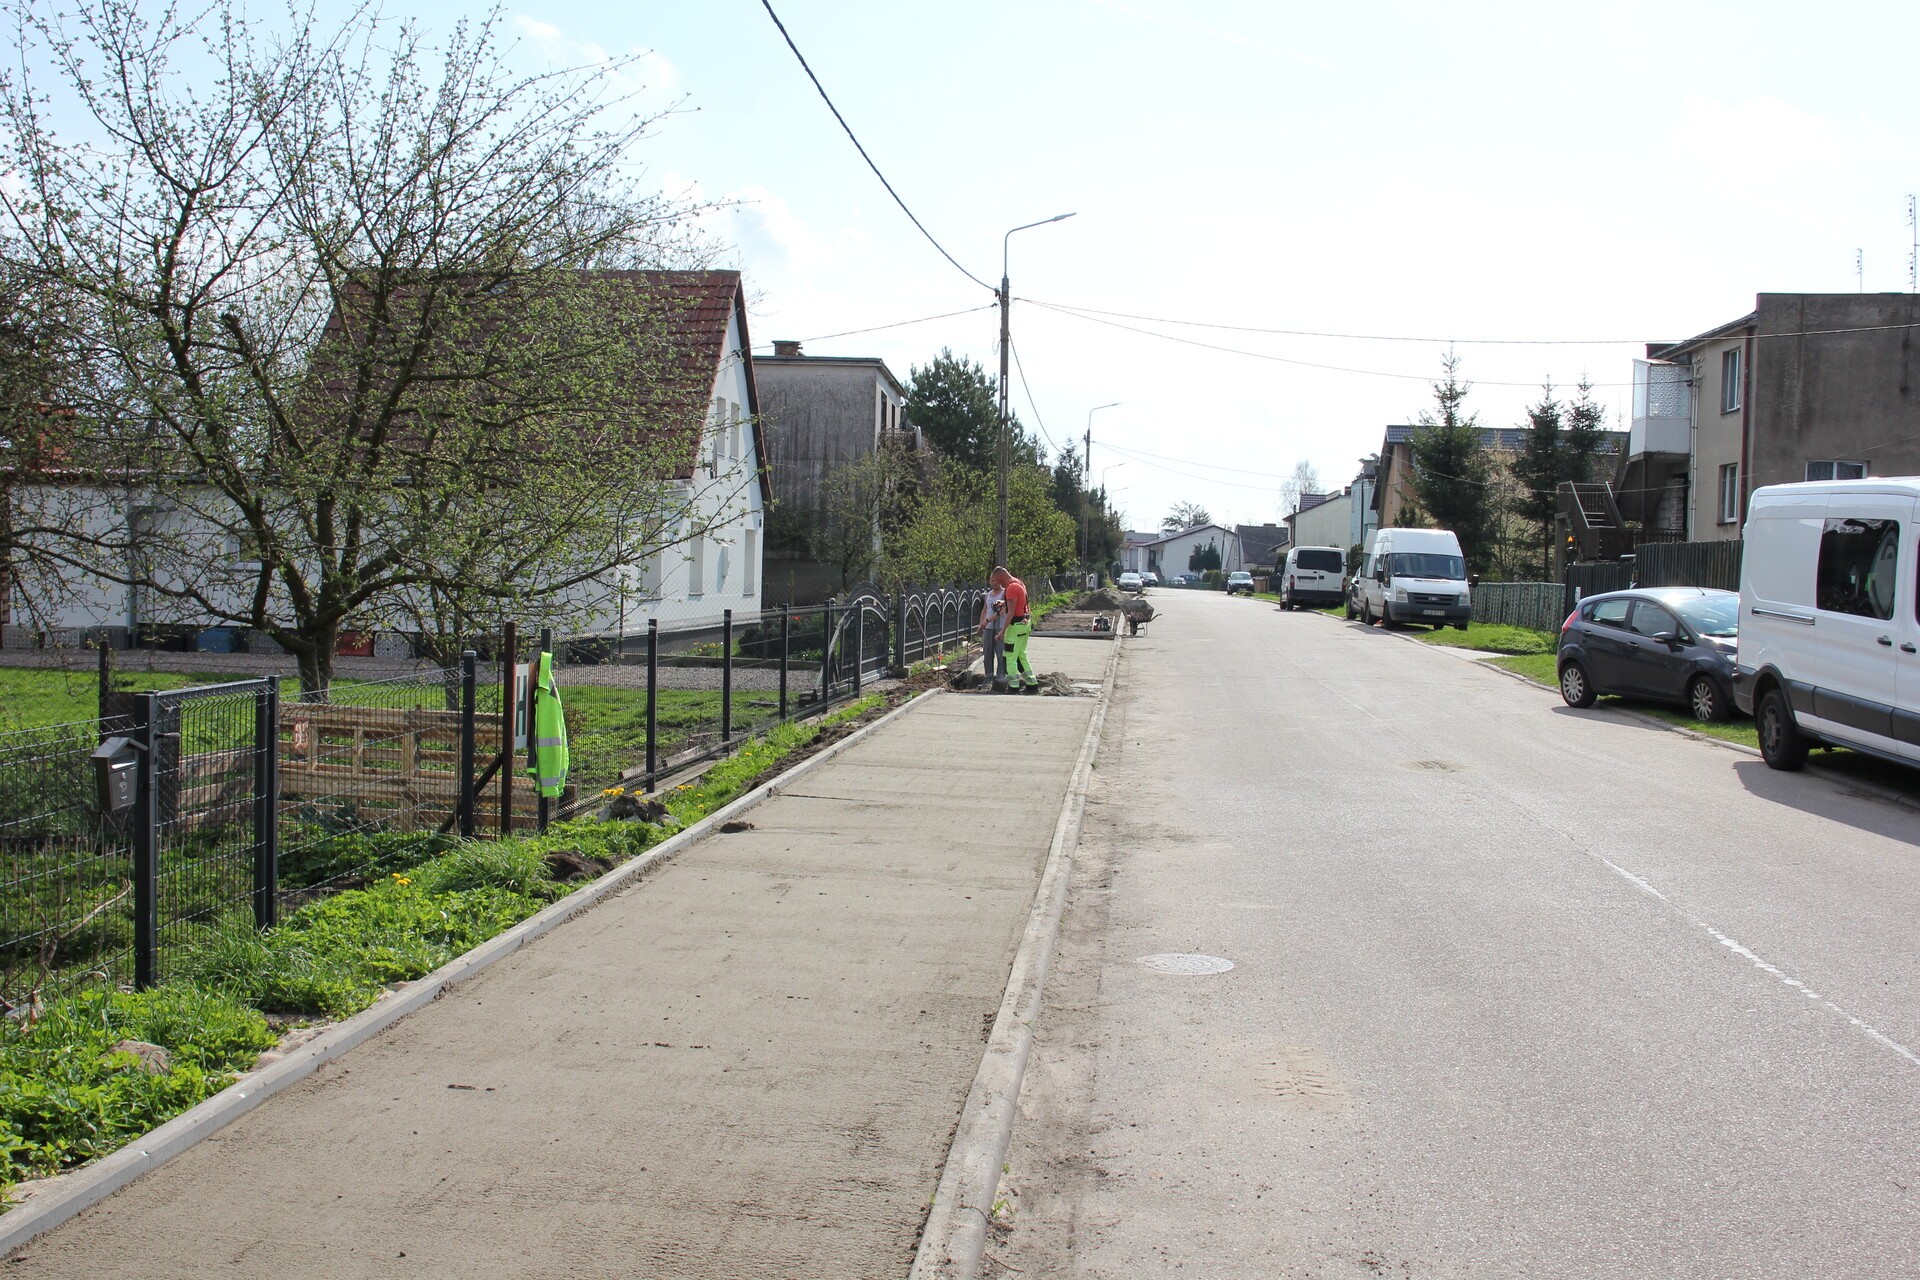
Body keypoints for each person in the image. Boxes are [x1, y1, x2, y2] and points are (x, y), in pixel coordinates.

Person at [991, 567, 1038, 694]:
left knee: (1010, 657)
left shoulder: (1011, 588)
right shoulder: (1019, 583)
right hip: (1025, 623)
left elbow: (1011, 613)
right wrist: (1004, 602)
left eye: (997, 580)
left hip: (1015, 625)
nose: (998, 584)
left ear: (1002, 576)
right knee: (1021, 655)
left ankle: (1013, 686)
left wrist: (1002, 631)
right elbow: (1019, 603)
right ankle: (1032, 684)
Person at [978, 577, 1008, 691]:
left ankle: (1000, 675)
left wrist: (987, 621)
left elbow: (1002, 611)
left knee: (1000, 652)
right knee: (987, 652)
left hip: (1000, 626)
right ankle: (988, 676)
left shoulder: (1004, 593)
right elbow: (985, 610)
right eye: (992, 581)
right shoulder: (988, 595)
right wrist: (981, 624)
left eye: (995, 580)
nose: (993, 583)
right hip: (988, 628)